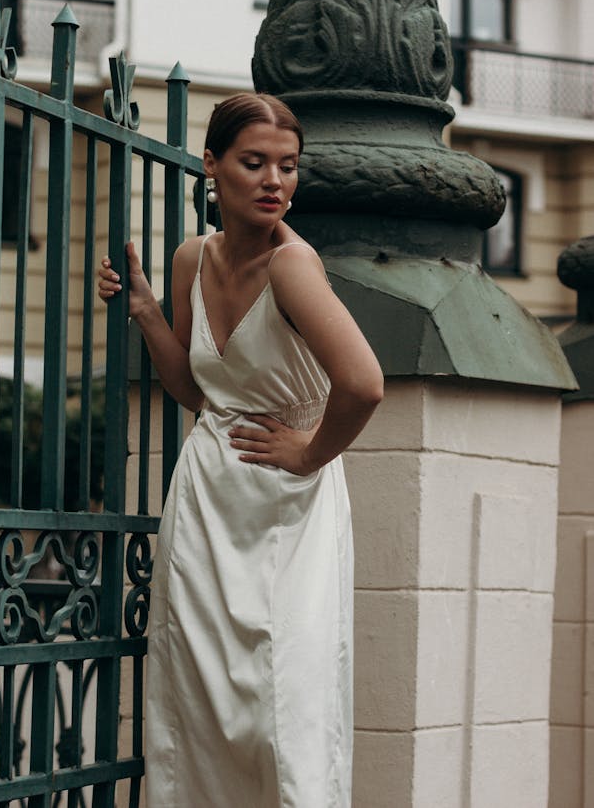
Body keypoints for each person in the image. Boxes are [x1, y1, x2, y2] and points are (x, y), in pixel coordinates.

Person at [98, 92, 383, 808]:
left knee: (282, 706)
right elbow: (196, 388)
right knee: (196, 703)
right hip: (205, 501)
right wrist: (146, 310)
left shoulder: (293, 266)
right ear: (212, 166)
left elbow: (364, 383)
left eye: (288, 166)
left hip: (286, 508)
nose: (274, 182)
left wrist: (310, 454)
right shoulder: (192, 256)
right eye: (254, 163)